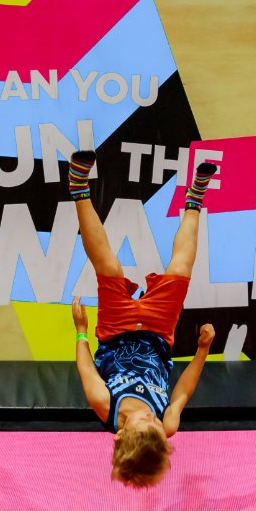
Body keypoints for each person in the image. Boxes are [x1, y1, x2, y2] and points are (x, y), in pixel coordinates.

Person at [67, 150, 218, 486]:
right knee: (180, 270)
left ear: (119, 435)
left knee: (108, 268)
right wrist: (202, 350)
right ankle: (195, 200)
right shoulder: (166, 424)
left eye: (144, 421)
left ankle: (78, 188)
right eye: (156, 425)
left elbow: (85, 367)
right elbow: (181, 391)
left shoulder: (104, 403)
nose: (152, 416)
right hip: (158, 331)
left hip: (116, 329)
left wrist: (80, 331)